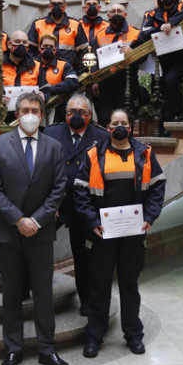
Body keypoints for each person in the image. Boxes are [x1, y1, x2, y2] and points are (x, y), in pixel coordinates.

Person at [0, 92, 68, 365]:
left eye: (35, 109)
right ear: (17, 114)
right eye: (24, 110)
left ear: (42, 115)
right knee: (11, 294)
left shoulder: (55, 147)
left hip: (41, 232)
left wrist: (37, 220)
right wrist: (19, 219)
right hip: (8, 232)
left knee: (44, 294)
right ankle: (13, 349)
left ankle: (47, 349)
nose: (30, 114)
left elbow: (59, 189)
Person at [74, 109, 165, 358]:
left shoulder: (144, 154)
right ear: (108, 127)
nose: (119, 127)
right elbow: (80, 191)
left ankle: (134, 335)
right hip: (102, 234)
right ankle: (94, 337)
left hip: (133, 235)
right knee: (99, 287)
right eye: (115, 123)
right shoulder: (94, 155)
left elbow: (157, 188)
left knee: (129, 285)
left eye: (124, 123)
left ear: (131, 126)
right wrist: (92, 221)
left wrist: (149, 217)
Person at [44, 95, 109, 315]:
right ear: (65, 112)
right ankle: (28, 290)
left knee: (83, 258)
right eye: (72, 111)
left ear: (90, 116)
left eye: (82, 112)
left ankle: (87, 302)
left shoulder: (101, 137)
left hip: (84, 206)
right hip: (54, 204)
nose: (77, 116)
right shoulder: (51, 133)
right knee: (36, 249)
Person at [138, 0, 183, 129]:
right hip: (160, 58)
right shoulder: (151, 13)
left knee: (171, 81)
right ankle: (164, 126)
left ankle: (179, 115)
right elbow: (144, 33)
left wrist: (172, 22)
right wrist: (159, 28)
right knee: (161, 89)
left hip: (181, 56)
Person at [89, 1, 141, 126]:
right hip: (105, 83)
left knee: (126, 119)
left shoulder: (135, 33)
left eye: (119, 11)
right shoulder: (100, 34)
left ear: (125, 14)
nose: (116, 13)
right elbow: (94, 59)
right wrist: (95, 80)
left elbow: (144, 57)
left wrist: (132, 52)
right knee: (105, 118)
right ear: (108, 15)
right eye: (113, 11)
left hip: (127, 82)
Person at [28, 0, 87, 72]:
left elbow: (83, 52)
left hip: (69, 72)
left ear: (65, 5)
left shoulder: (75, 24)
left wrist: (78, 74)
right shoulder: (38, 24)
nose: (56, 7)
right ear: (49, 6)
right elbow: (30, 52)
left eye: (60, 4)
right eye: (53, 4)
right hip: (43, 72)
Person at [36, 33, 79, 120]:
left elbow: (73, 82)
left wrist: (48, 90)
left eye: (51, 47)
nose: (48, 48)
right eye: (45, 46)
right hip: (35, 108)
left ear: (56, 49)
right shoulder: (32, 64)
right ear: (39, 47)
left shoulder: (64, 65)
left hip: (57, 111)